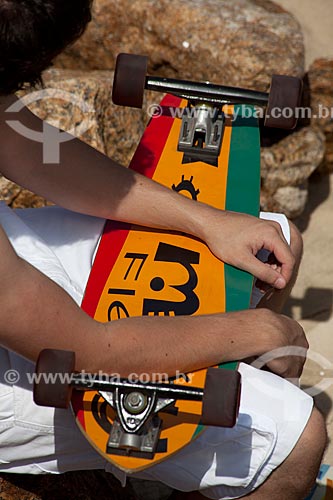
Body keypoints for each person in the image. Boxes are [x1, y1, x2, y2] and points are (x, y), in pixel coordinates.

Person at [0, 1, 327, 499]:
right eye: (27, 79)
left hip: (16, 275)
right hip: (42, 349)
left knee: (271, 240)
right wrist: (248, 330)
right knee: (296, 439)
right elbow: (84, 350)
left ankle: (194, 466)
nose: (38, 84)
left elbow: (25, 146)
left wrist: (207, 221)